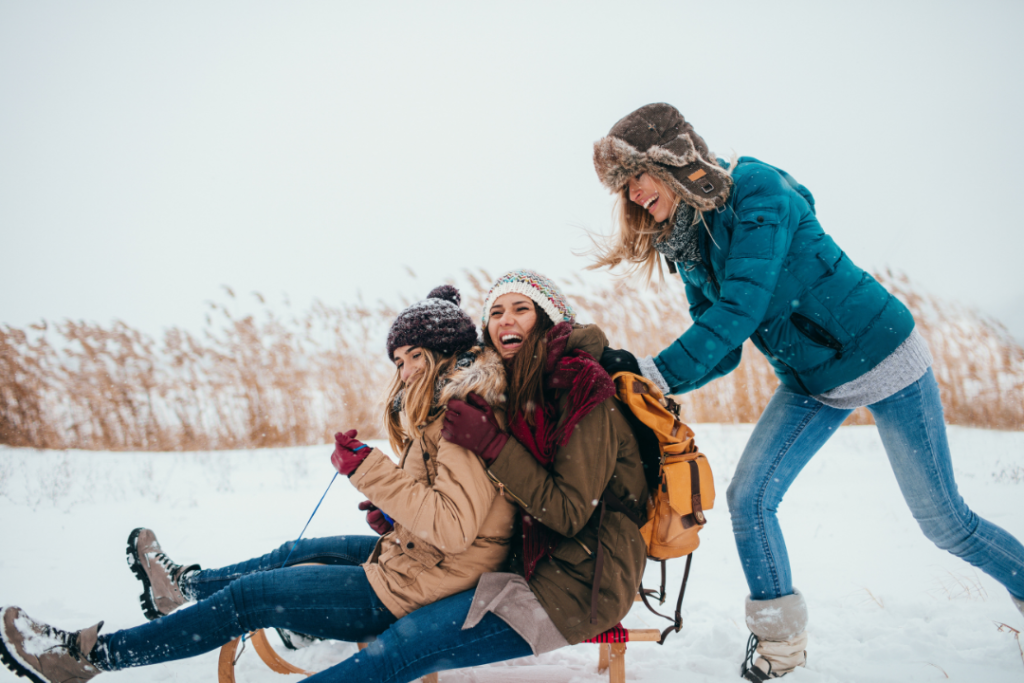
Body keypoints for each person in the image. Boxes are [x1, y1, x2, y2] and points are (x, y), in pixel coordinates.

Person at [589, 102, 1024, 680]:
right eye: (623, 188)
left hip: (883, 356)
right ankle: (781, 645)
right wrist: (640, 377)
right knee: (750, 500)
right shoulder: (688, 240)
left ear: (671, 161)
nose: (634, 196)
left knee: (944, 522)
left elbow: (743, 306)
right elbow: (723, 350)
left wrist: (657, 369)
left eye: (635, 178)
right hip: (811, 383)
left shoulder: (758, 192)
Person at [0, 284, 517, 683]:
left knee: (253, 597)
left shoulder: (461, 414)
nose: (402, 374)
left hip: (426, 583)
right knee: (298, 550)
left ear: (436, 354)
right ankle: (184, 590)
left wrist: (370, 470)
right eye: (397, 362)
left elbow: (453, 528)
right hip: (423, 562)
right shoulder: (449, 408)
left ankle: (84, 658)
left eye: (409, 359)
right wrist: (395, 512)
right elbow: (449, 509)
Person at [241, 269, 649, 683]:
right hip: (522, 562)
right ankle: (195, 587)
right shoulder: (520, 387)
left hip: (579, 583)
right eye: (495, 312)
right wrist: (403, 517)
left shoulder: (582, 388)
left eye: (520, 309)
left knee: (400, 649)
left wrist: (493, 444)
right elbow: (494, 499)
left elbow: (567, 513)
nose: (505, 319)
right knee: (320, 558)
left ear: (549, 317)